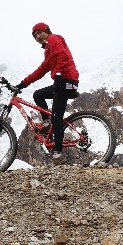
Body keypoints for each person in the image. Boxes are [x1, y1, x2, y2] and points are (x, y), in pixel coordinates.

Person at [15, 22, 79, 165]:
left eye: (39, 32)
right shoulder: (48, 50)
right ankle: (46, 123)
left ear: (47, 31)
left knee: (57, 117)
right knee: (38, 95)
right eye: (35, 35)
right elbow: (41, 70)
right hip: (60, 81)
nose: (37, 36)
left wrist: (57, 75)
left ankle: (58, 153)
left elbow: (62, 55)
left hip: (65, 80)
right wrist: (22, 84)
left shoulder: (54, 39)